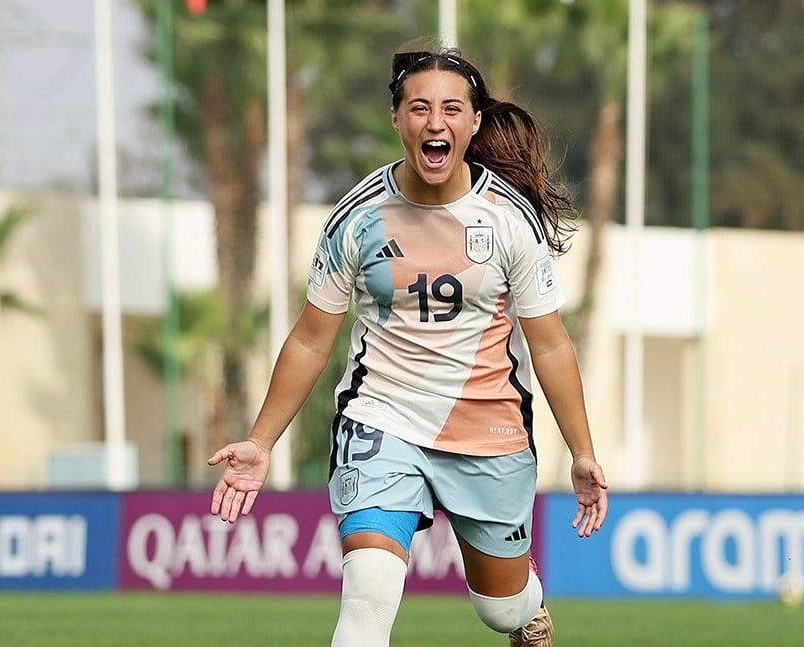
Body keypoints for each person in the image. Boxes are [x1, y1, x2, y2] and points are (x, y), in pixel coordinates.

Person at [208, 44, 609, 647]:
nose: (434, 122)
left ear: (474, 122)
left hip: (487, 429)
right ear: (397, 118)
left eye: (451, 108)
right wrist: (261, 441)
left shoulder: (508, 220)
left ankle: (526, 604)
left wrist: (581, 451)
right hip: (381, 420)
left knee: (501, 611)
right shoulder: (357, 217)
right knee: (367, 595)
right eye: (419, 108)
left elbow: (550, 345)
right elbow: (311, 339)